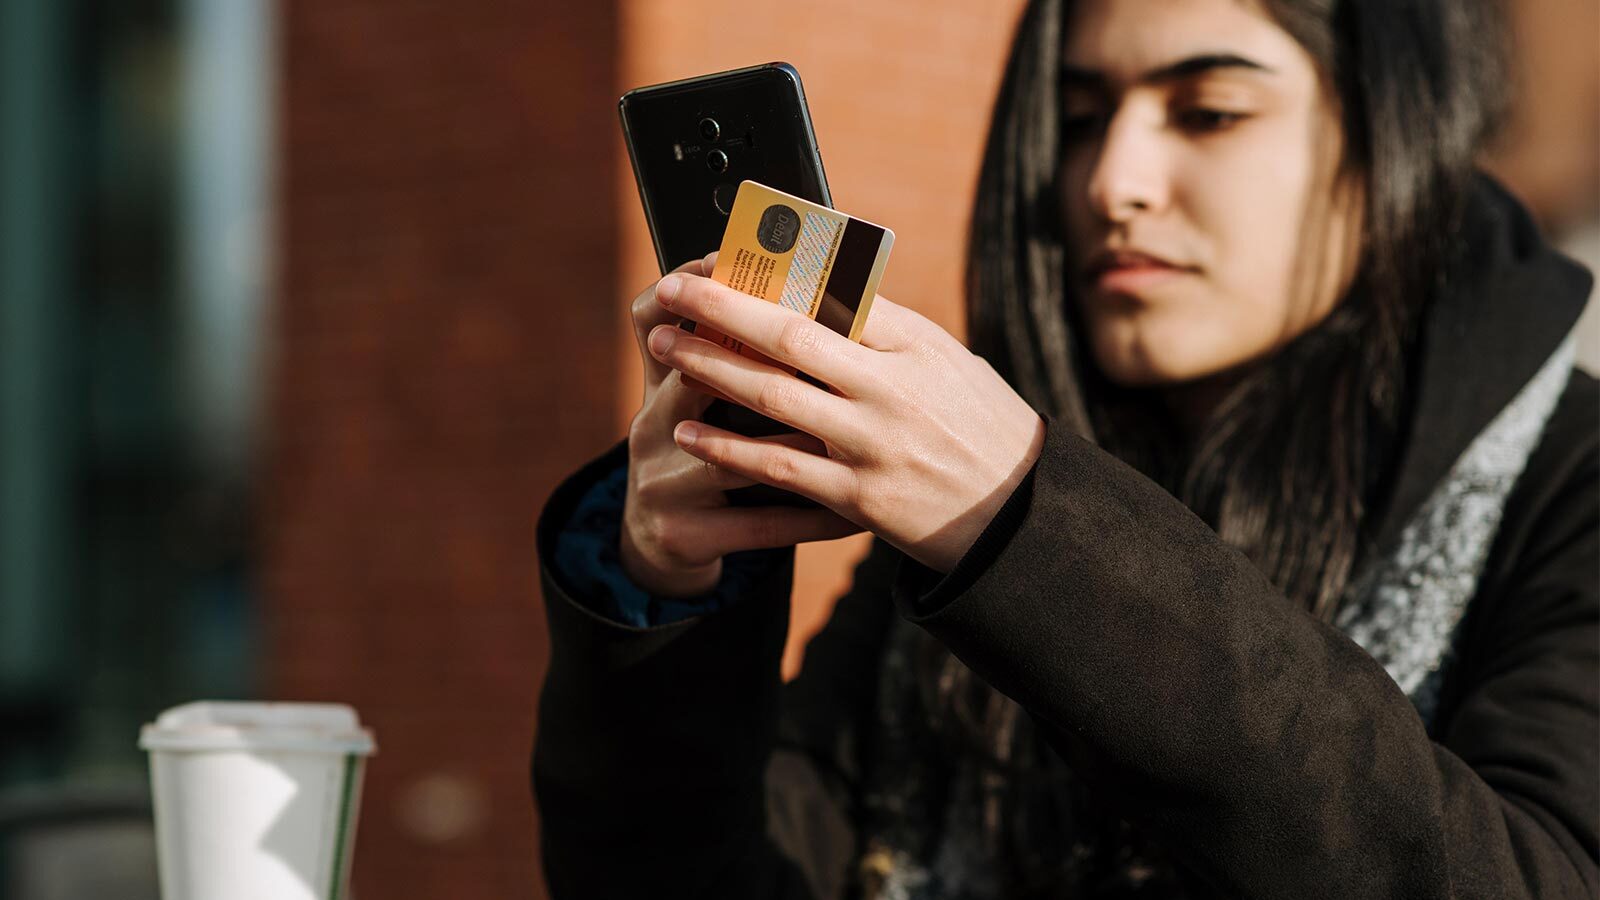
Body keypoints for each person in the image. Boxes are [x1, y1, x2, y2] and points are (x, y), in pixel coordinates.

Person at [531, 0, 1598, 896]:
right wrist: (667, 592)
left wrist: (1029, 518)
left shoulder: (1571, 479)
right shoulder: (950, 524)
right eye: (1079, 119)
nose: (1111, 183)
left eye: (1209, 112)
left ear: (1387, 135)